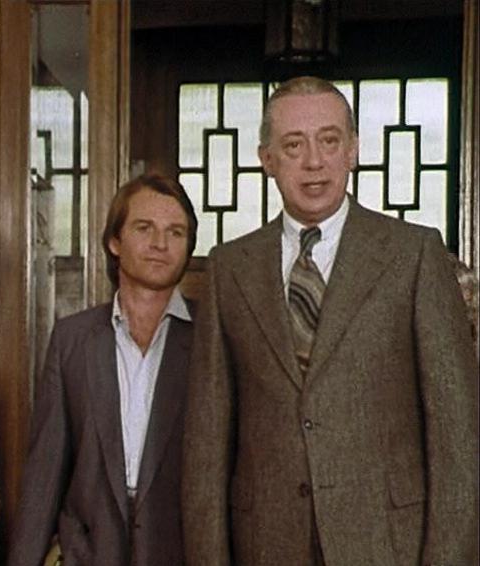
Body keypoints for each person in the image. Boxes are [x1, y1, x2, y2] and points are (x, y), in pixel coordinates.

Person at [182, 76, 478, 566]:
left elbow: (457, 438)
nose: (314, 161)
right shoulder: (229, 269)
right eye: (293, 145)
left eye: (329, 140)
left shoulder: (414, 255)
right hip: (265, 546)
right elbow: (206, 446)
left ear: (353, 151)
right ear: (267, 159)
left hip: (387, 547)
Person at [9, 174, 198, 566]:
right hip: (88, 553)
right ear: (115, 241)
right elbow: (45, 475)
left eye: (175, 232)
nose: (160, 243)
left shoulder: (212, 339)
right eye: (144, 228)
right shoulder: (72, 340)